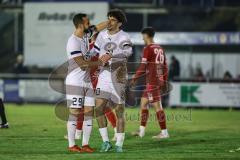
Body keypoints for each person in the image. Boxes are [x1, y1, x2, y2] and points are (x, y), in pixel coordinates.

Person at [65, 13, 109, 153]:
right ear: (80, 25)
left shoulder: (85, 35)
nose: (89, 24)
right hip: (75, 82)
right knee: (75, 112)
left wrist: (110, 21)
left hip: (87, 81)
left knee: (89, 112)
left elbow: (97, 27)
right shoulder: (73, 42)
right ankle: (72, 145)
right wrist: (101, 61)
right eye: (87, 22)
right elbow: (82, 64)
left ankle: (85, 144)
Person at [93, 9, 132, 152]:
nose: (109, 22)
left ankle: (119, 145)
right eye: (108, 19)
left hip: (118, 75)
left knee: (119, 111)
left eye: (113, 20)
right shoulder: (101, 35)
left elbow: (127, 53)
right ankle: (105, 142)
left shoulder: (124, 36)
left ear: (119, 23)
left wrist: (111, 55)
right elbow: (94, 52)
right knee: (98, 109)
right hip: (103, 75)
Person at [130, 27, 169, 139]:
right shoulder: (160, 48)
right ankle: (141, 131)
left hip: (152, 81)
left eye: (143, 35)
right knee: (143, 103)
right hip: (156, 80)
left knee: (158, 106)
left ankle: (164, 132)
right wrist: (164, 80)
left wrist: (134, 78)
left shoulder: (148, 48)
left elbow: (143, 66)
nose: (142, 38)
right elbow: (165, 66)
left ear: (146, 35)